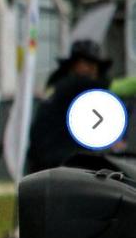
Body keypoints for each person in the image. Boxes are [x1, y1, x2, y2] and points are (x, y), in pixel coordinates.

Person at [26, 40, 136, 173]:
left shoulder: (58, 84)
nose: (92, 69)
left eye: (95, 65)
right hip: (60, 161)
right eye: (87, 63)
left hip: (41, 161)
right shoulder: (79, 84)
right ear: (74, 65)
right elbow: (123, 88)